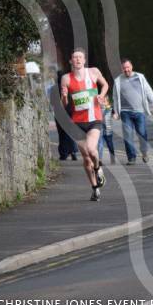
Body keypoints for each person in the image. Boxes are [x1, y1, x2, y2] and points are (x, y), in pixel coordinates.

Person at [61, 48, 109, 201]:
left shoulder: (94, 72)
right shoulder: (66, 78)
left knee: (92, 150)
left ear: (84, 60)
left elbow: (105, 85)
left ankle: (98, 167)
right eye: (75, 58)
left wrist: (101, 95)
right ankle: (95, 189)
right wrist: (63, 97)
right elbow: (65, 105)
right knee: (86, 158)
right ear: (71, 61)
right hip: (77, 123)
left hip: (94, 119)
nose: (78, 60)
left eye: (80, 57)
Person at [113, 58, 153, 165]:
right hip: (125, 112)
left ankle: (144, 152)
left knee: (142, 133)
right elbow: (115, 97)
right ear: (122, 69)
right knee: (128, 135)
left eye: (128, 67)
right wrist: (116, 111)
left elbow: (148, 91)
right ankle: (131, 158)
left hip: (139, 111)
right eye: (124, 68)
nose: (126, 70)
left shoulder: (140, 77)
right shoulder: (118, 81)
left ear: (131, 66)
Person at [54, 71, 78, 161]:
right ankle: (73, 152)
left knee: (62, 134)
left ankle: (63, 154)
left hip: (59, 113)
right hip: (70, 112)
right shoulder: (70, 86)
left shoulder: (54, 88)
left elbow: (52, 102)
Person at [98, 95, 115, 165]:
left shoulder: (110, 108)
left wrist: (115, 115)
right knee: (100, 144)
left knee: (110, 144)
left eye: (105, 101)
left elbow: (115, 116)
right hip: (99, 129)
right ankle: (100, 159)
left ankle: (112, 157)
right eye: (102, 101)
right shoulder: (97, 108)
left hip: (108, 129)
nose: (104, 102)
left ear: (108, 102)